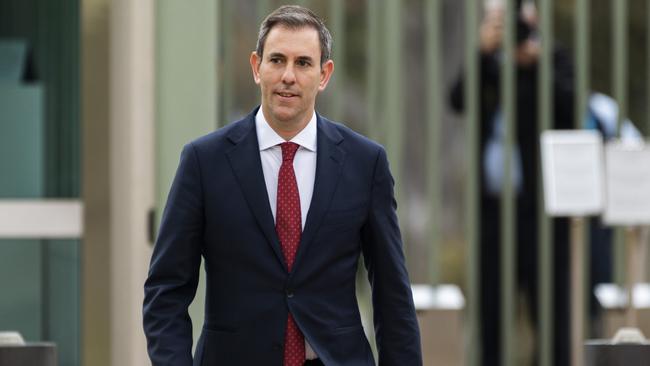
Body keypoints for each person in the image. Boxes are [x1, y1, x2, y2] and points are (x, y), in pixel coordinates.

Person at [143, 5, 422, 366]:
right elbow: (166, 290)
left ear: (324, 75)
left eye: (303, 63)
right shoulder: (204, 162)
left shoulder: (365, 163)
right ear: (257, 67)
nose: (288, 76)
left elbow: (392, 294)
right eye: (277, 60)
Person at [450, 2, 573, 365]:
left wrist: (534, 66)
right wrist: (481, 54)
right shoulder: (488, 63)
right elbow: (457, 99)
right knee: (492, 313)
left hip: (541, 212)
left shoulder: (552, 57)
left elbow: (570, 107)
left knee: (550, 315)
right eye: (495, 19)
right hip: (493, 209)